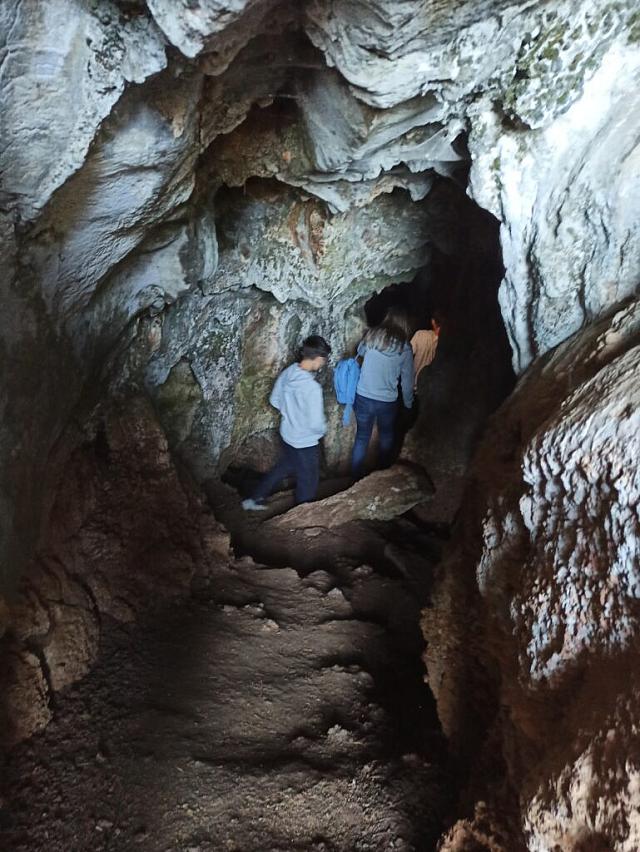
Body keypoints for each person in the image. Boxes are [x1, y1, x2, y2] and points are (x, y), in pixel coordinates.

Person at [242, 335, 332, 510]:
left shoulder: (289, 372)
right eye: (324, 360)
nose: (323, 364)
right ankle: (302, 515)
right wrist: (322, 430)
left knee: (284, 467)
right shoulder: (312, 388)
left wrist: (290, 414)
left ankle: (254, 498)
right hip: (304, 442)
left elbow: (274, 400)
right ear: (318, 358)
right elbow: (315, 423)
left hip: (287, 435)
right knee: (309, 479)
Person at [351, 306, 414, 478]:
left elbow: (359, 351)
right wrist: (408, 404)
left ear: (387, 318)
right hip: (386, 401)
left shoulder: (372, 336)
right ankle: (382, 471)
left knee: (362, 436)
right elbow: (407, 380)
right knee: (386, 435)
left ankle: (355, 476)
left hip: (363, 395)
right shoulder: (405, 347)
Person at [410, 311, 442, 390]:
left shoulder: (420, 334)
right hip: (431, 389)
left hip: (413, 386)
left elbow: (407, 355)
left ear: (433, 321)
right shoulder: (446, 343)